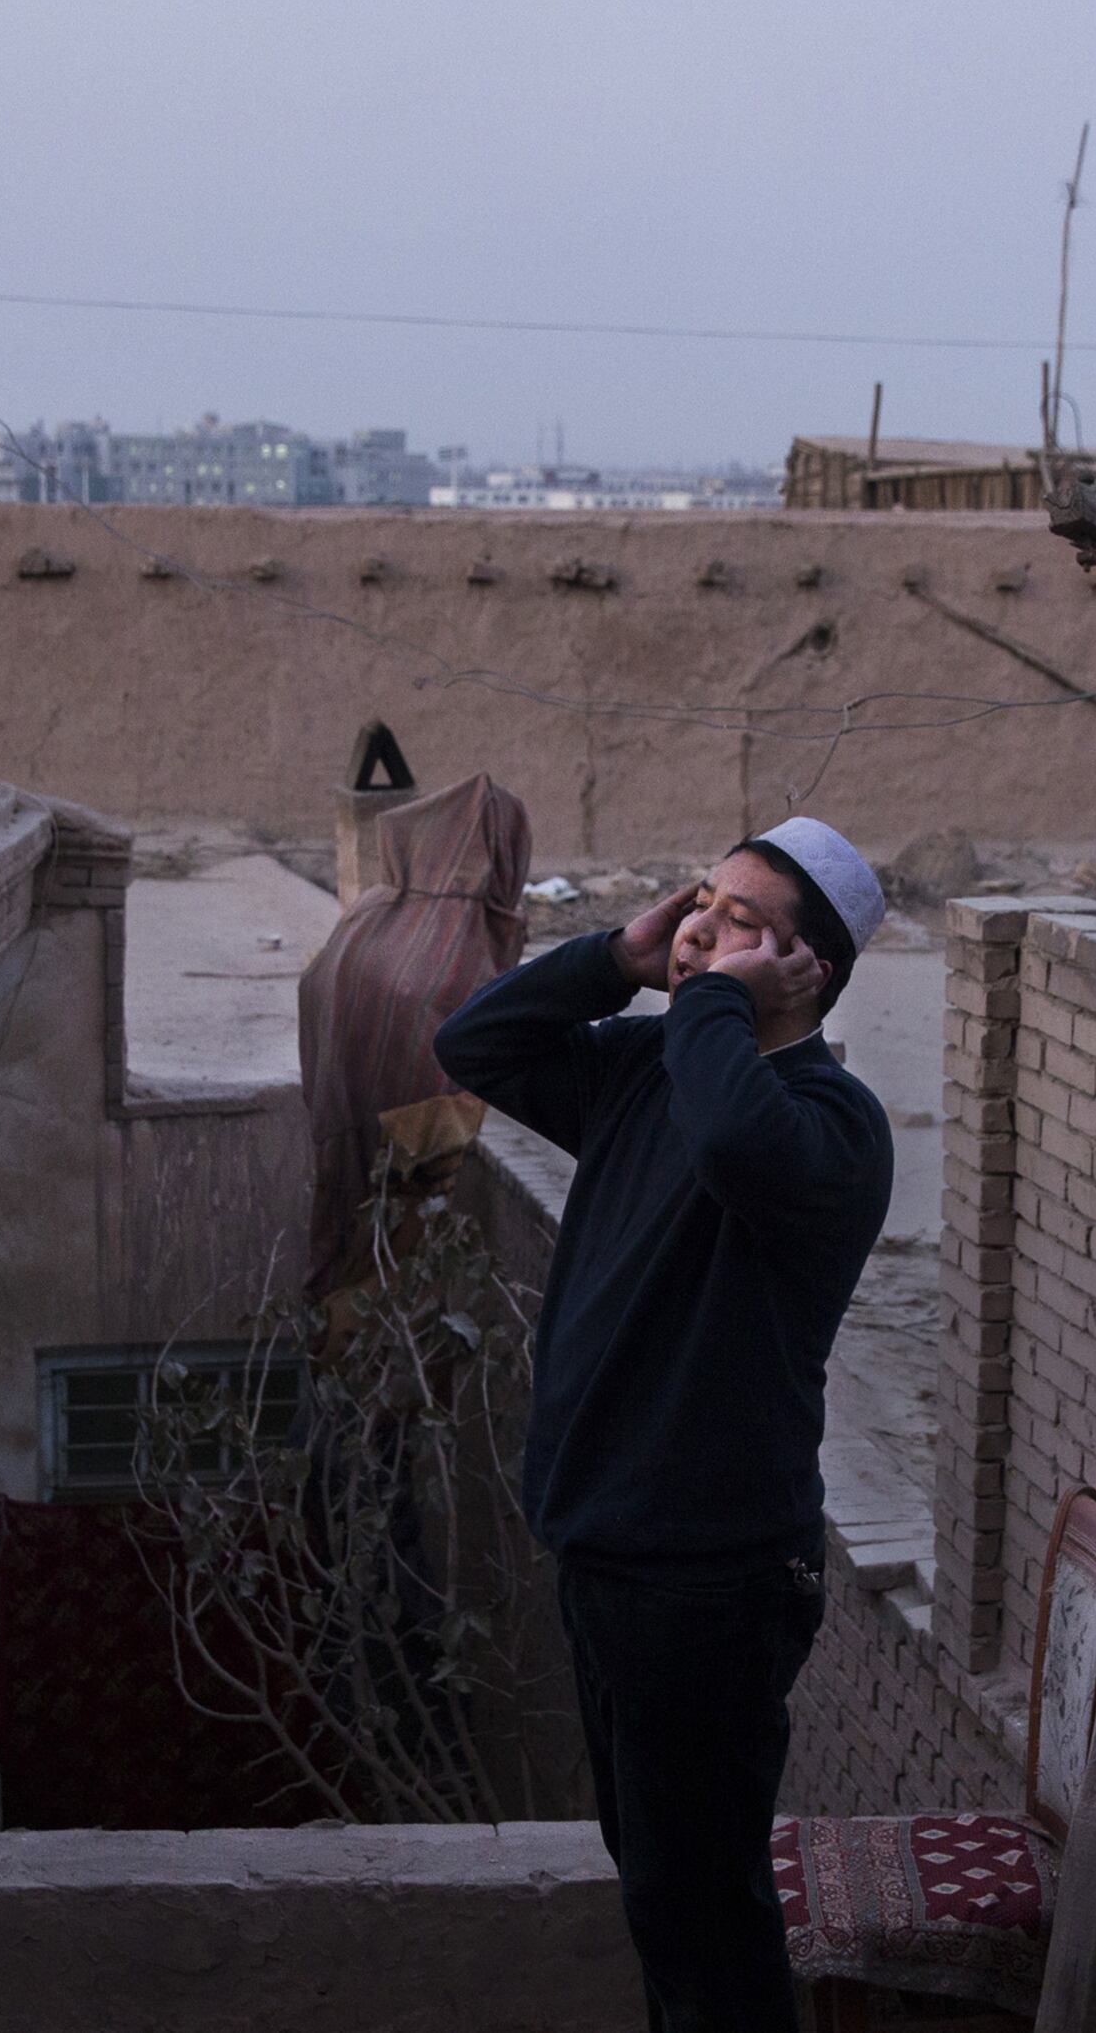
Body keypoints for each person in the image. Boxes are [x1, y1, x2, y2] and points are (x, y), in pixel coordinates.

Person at [433, 814, 897, 2033]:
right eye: (700, 897)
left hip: (711, 1580)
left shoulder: (832, 1127)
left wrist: (713, 1006)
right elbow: (471, 1039)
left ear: (810, 970)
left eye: (741, 919)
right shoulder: (644, 1071)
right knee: (663, 1896)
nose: (700, 924)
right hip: (610, 1556)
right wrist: (612, 959)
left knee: (705, 1917)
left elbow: (740, 1136)